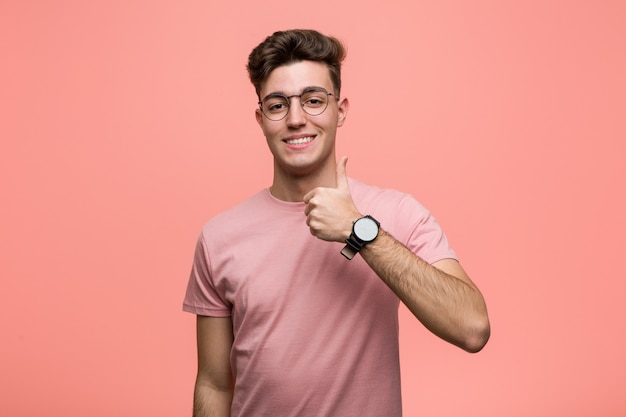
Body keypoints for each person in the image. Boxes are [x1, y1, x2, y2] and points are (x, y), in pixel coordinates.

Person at [183, 29, 490, 417]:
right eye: (278, 105)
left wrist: (360, 230)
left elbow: (472, 327)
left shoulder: (397, 213)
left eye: (313, 101)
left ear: (340, 110)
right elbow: (214, 382)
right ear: (261, 119)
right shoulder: (219, 237)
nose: (296, 119)